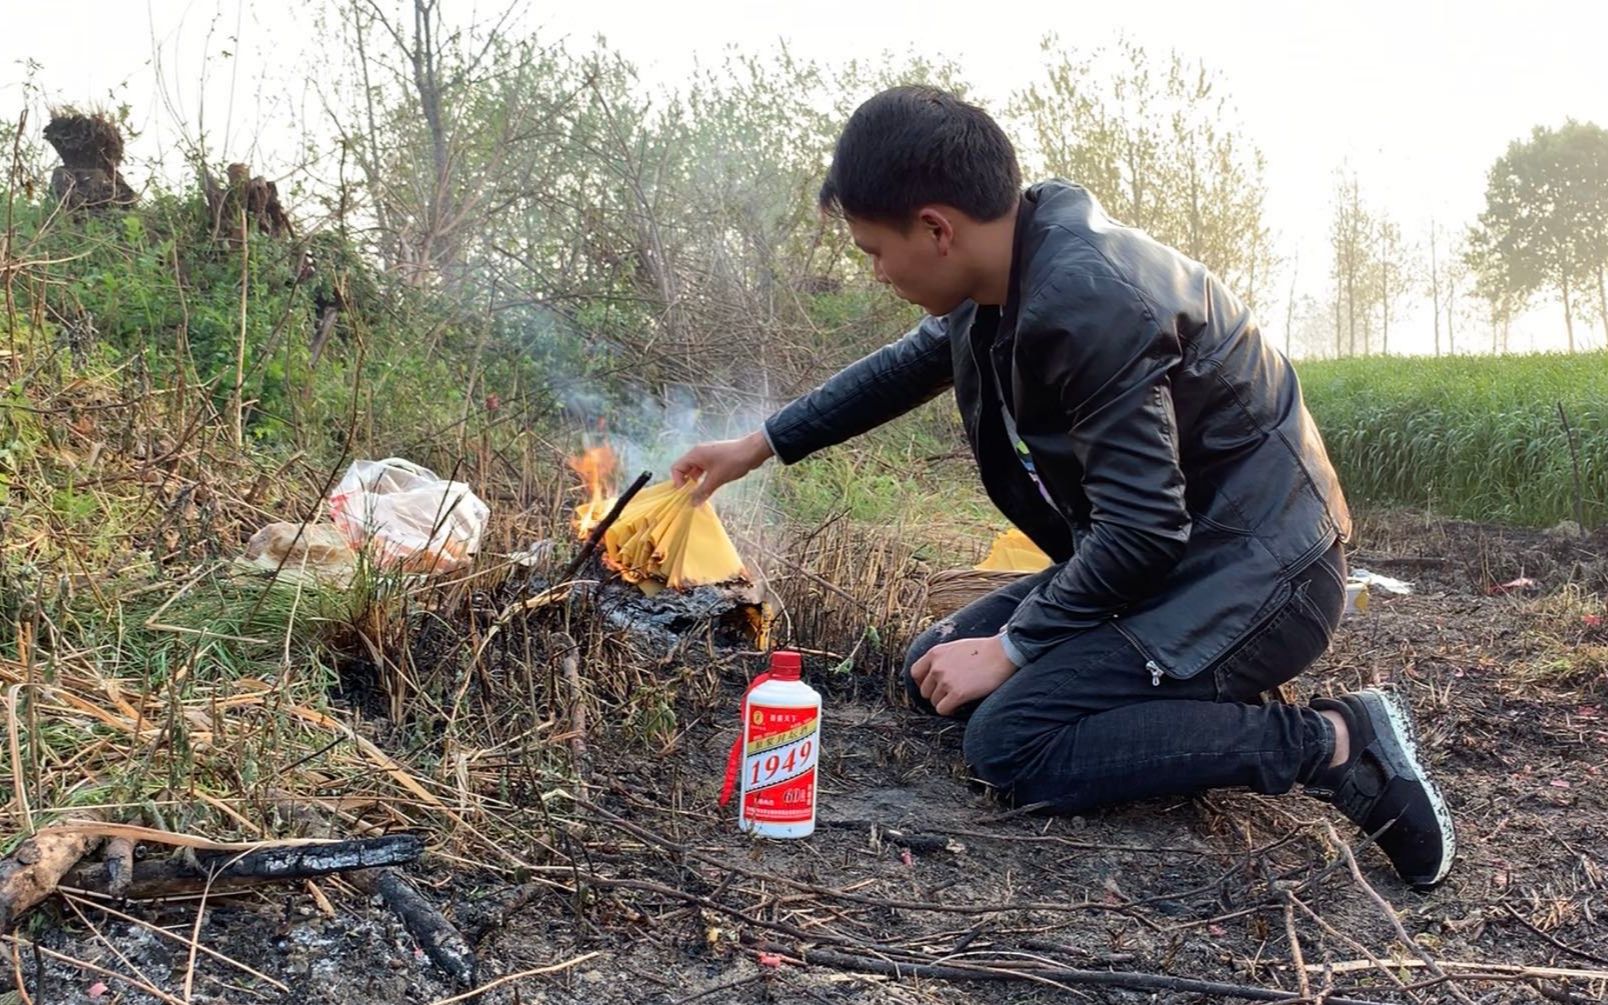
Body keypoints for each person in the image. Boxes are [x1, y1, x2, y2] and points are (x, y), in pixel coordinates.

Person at [671, 86, 1454, 888]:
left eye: (874, 250)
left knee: (1009, 742)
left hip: (1261, 578)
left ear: (937, 229)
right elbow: (906, 366)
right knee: (932, 667)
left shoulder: (1091, 298)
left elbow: (1144, 530)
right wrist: (758, 444)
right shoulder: (1009, 266)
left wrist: (1014, 648)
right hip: (1179, 559)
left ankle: (1333, 741)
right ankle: (1180, 699)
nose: (875, 272)